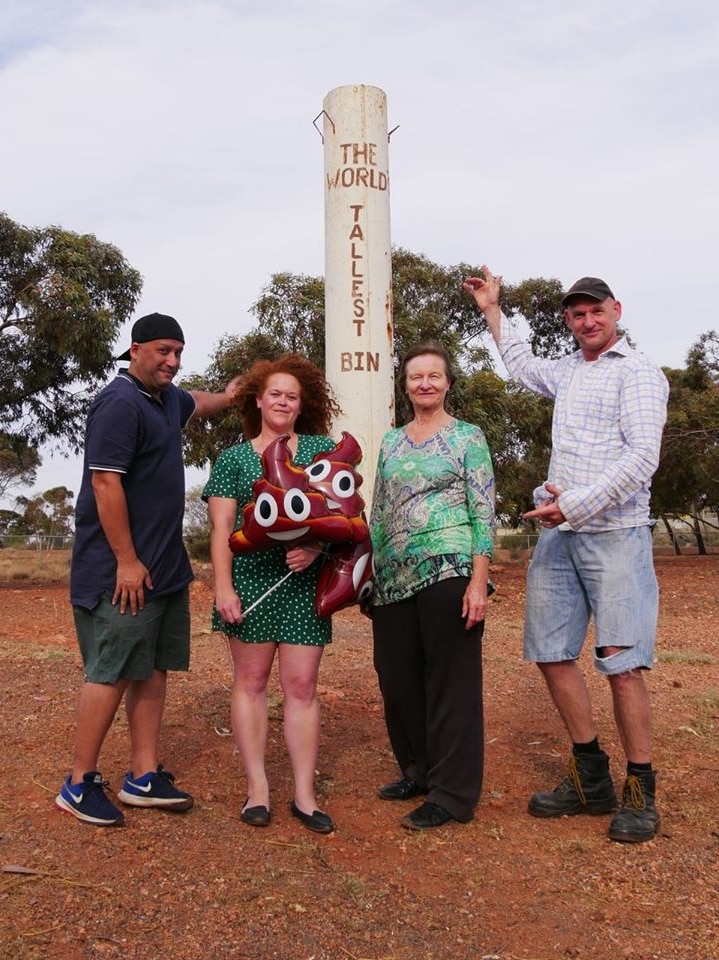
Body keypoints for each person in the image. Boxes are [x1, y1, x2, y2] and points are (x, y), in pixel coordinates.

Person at [463, 269, 669, 843]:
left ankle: (640, 789)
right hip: (558, 537)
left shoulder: (640, 374)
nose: (587, 320)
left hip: (614, 535)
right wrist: (492, 308)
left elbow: (640, 461)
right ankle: (590, 777)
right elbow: (522, 363)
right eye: (577, 314)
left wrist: (574, 505)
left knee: (621, 662)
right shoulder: (569, 372)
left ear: (616, 310)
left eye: (595, 310)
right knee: (551, 652)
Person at [55, 312, 242, 827]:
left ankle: (141, 775)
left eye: (179, 352)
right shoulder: (119, 404)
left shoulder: (165, 399)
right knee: (111, 671)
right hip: (122, 572)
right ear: (134, 349)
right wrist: (127, 561)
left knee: (153, 669)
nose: (173, 361)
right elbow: (104, 485)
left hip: (164, 568)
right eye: (163, 351)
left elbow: (195, 401)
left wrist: (228, 396)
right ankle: (78, 782)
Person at [203, 354, 343, 834]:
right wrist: (224, 589)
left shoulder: (322, 451)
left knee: (302, 687)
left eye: (292, 396)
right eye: (275, 394)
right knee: (252, 682)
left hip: (304, 583)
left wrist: (318, 545)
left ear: (302, 405)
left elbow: (344, 514)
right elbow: (221, 529)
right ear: (258, 400)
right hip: (250, 583)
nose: (283, 402)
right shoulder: (235, 459)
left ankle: (305, 795)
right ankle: (257, 788)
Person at [369, 342, 495, 831]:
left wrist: (479, 582)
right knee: (397, 678)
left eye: (433, 376)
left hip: (450, 570)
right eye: (416, 376)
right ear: (406, 385)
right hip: (394, 577)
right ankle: (418, 771)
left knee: (450, 683)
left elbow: (482, 509)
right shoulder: (392, 442)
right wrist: (369, 572)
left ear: (447, 383)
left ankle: (453, 793)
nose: (424, 384)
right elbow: (379, 510)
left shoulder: (468, 437)